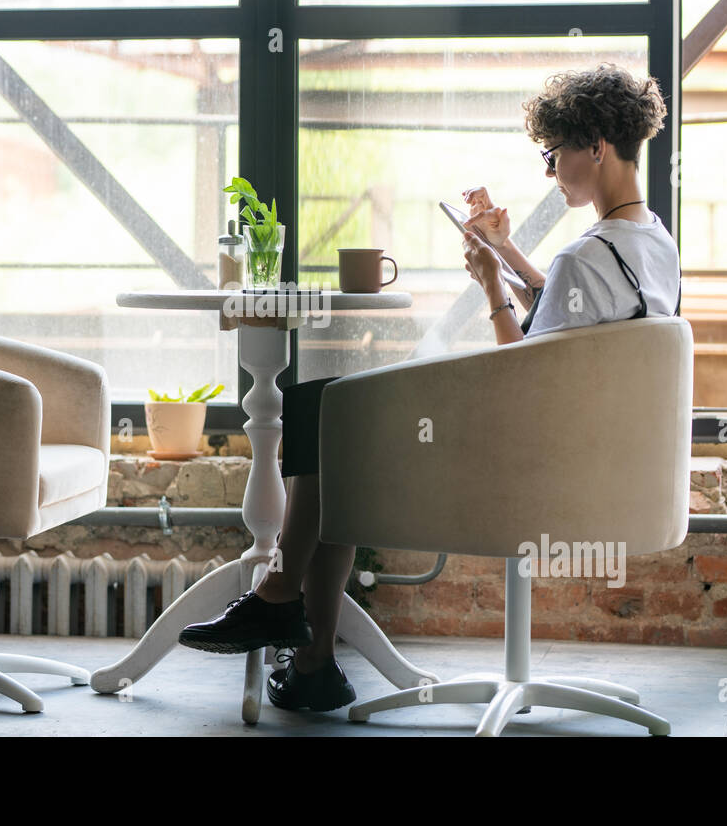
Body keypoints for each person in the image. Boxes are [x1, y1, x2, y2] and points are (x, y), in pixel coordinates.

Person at [177, 62, 683, 712]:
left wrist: (492, 287)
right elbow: (580, 322)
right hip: (606, 468)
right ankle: (306, 653)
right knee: (330, 419)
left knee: (321, 416)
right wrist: (506, 253)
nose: (550, 174)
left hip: (530, 471)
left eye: (552, 157)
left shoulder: (583, 257)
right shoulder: (648, 243)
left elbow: (524, 375)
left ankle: (289, 620)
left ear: (596, 146)